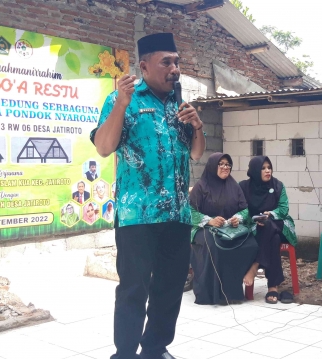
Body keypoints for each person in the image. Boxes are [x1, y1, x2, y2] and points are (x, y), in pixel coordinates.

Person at [90, 32, 205, 359]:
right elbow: (103, 147)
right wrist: (122, 105)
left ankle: (155, 349)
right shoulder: (121, 100)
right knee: (133, 290)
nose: (175, 69)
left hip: (178, 215)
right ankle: (124, 354)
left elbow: (197, 154)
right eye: (166, 62)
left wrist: (197, 126)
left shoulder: (180, 105)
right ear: (144, 66)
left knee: (169, 289)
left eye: (177, 61)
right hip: (137, 216)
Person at [189, 153, 257, 305]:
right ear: (213, 166)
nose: (225, 167)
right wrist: (209, 221)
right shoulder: (201, 186)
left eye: (228, 164)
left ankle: (232, 291)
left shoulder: (234, 186)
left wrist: (237, 218)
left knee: (250, 244)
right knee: (214, 245)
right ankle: (212, 294)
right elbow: (190, 211)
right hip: (203, 229)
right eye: (221, 164)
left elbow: (245, 209)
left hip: (229, 229)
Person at [239, 156, 298, 305]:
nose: (267, 171)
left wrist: (270, 214)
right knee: (273, 238)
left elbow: (284, 209)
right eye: (263, 168)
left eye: (269, 167)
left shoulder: (278, 185)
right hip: (254, 227)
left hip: (279, 224)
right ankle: (273, 286)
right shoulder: (244, 187)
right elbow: (241, 208)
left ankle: (255, 265)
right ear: (254, 170)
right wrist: (253, 219)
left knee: (269, 225)